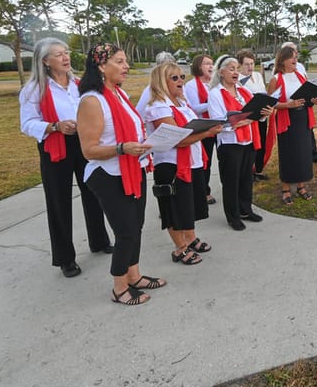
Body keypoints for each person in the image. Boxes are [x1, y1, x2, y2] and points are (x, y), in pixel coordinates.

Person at [77, 43, 163, 306]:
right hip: (108, 173)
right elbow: (88, 150)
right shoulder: (92, 100)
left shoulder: (119, 94)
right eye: (119, 61)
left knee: (136, 226)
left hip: (132, 167)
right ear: (102, 66)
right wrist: (122, 148)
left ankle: (134, 276)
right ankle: (119, 286)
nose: (126, 66)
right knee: (125, 231)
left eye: (126, 61)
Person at [19, 37, 112, 279]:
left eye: (66, 52)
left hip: (83, 141)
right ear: (45, 61)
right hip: (56, 145)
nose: (65, 57)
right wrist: (54, 126)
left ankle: (99, 240)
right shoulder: (34, 89)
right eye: (58, 54)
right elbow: (27, 124)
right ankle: (65, 258)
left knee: (94, 191)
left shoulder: (79, 84)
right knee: (59, 201)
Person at [143, 62, 220, 264]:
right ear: (161, 82)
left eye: (182, 77)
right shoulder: (158, 107)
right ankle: (180, 248)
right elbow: (177, 139)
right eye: (174, 78)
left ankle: (191, 238)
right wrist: (207, 132)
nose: (180, 81)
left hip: (191, 161)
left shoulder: (182, 103)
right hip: (171, 165)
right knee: (174, 208)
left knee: (189, 205)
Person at [209, 57, 273, 230]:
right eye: (231, 69)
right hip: (230, 143)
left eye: (237, 68)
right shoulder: (215, 94)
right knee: (231, 181)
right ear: (221, 72)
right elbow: (218, 123)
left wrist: (265, 112)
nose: (236, 72)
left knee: (246, 178)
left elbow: (255, 113)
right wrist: (241, 122)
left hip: (249, 140)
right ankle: (233, 216)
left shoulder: (243, 91)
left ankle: (246, 209)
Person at [267, 46, 317, 203]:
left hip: (303, 118)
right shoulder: (276, 79)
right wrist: (288, 105)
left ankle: (301, 186)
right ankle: (286, 188)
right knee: (288, 154)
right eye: (292, 58)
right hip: (287, 120)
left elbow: (306, 97)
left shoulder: (300, 75)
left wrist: (312, 100)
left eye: (296, 57)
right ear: (283, 61)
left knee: (303, 153)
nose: (296, 60)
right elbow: (270, 103)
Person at [281, 41, 317, 165]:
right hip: (290, 113)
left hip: (304, 108)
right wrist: (288, 104)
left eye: (295, 53)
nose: (295, 56)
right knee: (294, 144)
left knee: (308, 135)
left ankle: (313, 155)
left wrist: (312, 98)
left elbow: (306, 83)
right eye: (291, 53)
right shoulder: (279, 73)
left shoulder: (300, 67)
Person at [183, 54, 218, 205]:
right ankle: (204, 191)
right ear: (198, 67)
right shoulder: (191, 86)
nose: (211, 67)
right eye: (206, 64)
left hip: (217, 125)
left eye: (212, 64)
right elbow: (193, 108)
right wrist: (214, 103)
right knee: (205, 161)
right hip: (203, 127)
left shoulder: (215, 83)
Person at [236, 49, 269, 181]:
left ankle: (258, 170)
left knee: (262, 142)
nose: (250, 67)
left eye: (252, 63)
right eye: (246, 64)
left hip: (262, 114)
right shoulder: (237, 79)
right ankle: (248, 172)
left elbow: (264, 92)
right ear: (240, 65)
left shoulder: (258, 76)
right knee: (251, 146)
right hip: (249, 117)